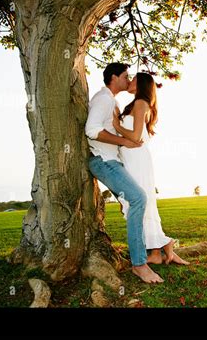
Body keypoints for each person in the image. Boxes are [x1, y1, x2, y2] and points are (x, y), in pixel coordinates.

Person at [85, 63, 164, 283]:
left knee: (138, 198)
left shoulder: (113, 102)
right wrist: (123, 140)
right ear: (114, 77)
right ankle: (140, 264)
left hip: (114, 162)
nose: (129, 80)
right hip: (104, 161)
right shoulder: (103, 100)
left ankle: (153, 251)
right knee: (139, 198)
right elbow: (91, 131)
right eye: (125, 76)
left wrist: (122, 137)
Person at [113, 72, 190, 266]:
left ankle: (162, 245)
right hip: (131, 158)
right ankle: (156, 251)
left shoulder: (141, 103)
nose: (129, 81)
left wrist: (116, 125)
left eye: (133, 79)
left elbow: (136, 136)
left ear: (141, 84)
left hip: (137, 159)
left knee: (141, 201)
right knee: (141, 201)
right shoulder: (135, 104)